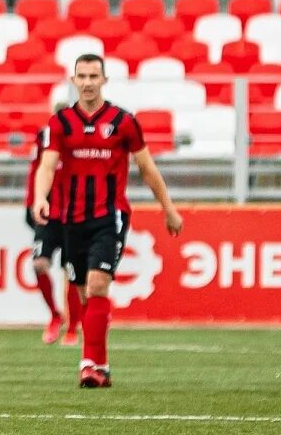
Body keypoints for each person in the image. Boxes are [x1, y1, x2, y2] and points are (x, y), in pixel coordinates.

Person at [31, 53, 184, 388]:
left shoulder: (123, 122)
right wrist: (41, 198)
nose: (87, 82)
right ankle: (100, 363)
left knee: (99, 284)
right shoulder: (61, 124)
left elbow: (146, 168)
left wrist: (168, 208)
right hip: (72, 219)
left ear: (104, 80)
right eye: (81, 76)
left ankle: (88, 365)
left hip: (109, 216)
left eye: (93, 76)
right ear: (73, 81)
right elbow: (46, 165)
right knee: (85, 294)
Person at [25, 121, 83, 346]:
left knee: (73, 273)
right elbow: (35, 169)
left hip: (73, 214)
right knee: (39, 264)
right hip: (48, 213)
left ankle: (72, 327)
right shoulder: (44, 137)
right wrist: (30, 203)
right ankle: (55, 315)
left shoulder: (81, 137)